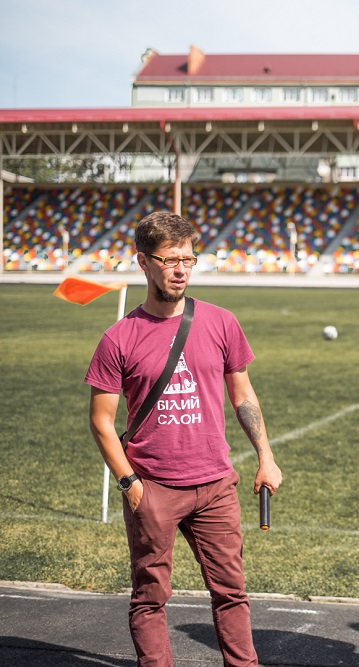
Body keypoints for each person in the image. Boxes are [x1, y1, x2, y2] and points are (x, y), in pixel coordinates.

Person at [86, 211, 282, 667]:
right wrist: (130, 484)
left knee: (231, 592)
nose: (181, 270)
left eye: (188, 260)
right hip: (153, 487)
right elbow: (101, 422)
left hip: (216, 485)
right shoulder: (118, 338)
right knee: (150, 597)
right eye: (170, 260)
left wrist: (266, 457)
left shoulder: (221, 321)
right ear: (144, 262)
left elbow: (243, 395)